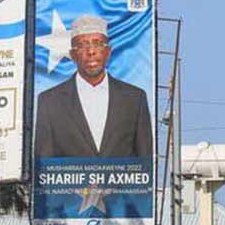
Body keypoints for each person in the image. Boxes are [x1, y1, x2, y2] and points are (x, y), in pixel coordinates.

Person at [34, 15, 153, 159]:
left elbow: (145, 160)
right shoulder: (50, 101)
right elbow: (44, 165)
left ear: (108, 52)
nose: (91, 52)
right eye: (82, 45)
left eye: (97, 44)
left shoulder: (134, 99)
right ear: (73, 55)